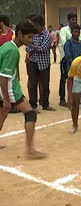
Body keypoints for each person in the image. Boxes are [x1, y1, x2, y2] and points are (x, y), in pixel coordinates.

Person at [0, 21, 47, 158]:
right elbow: (3, 76)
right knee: (30, 113)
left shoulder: (7, 46)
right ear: (20, 34)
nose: (31, 40)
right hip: (8, 89)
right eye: (29, 37)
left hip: (5, 87)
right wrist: (7, 98)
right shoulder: (12, 51)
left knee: (2, 115)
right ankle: (30, 150)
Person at [26, 15, 56, 112]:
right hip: (33, 62)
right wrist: (32, 47)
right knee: (32, 85)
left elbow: (43, 48)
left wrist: (32, 46)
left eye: (34, 24)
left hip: (44, 63)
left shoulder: (47, 35)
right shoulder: (33, 34)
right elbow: (28, 47)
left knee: (45, 85)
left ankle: (45, 104)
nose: (32, 26)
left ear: (39, 24)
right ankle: (33, 105)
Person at [59, 13, 81, 107]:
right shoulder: (66, 37)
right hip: (69, 64)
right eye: (72, 19)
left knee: (80, 83)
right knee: (67, 81)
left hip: (80, 66)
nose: (74, 20)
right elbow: (67, 54)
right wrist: (72, 65)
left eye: (75, 19)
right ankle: (65, 100)